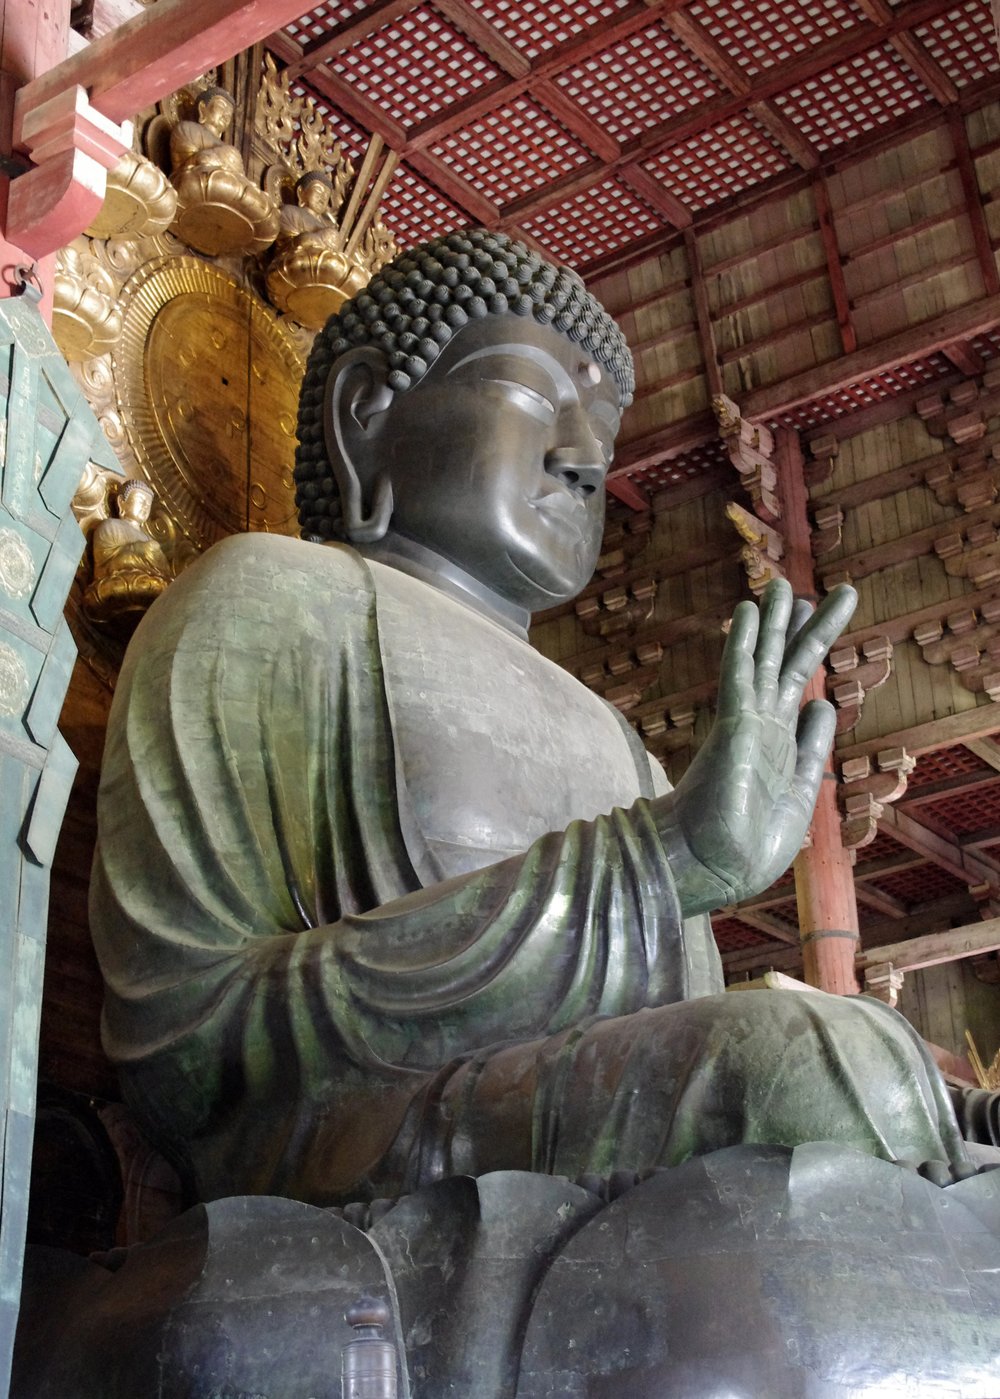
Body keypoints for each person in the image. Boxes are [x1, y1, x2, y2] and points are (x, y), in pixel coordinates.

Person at [91, 230, 967, 1207]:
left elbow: (673, 1044)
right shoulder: (267, 600)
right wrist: (660, 860)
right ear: (365, 412)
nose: (585, 459)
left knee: (884, 1085)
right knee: (802, 1067)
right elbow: (185, 1042)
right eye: (534, 394)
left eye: (601, 426)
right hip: (371, 1157)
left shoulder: (621, 744)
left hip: (594, 1150)